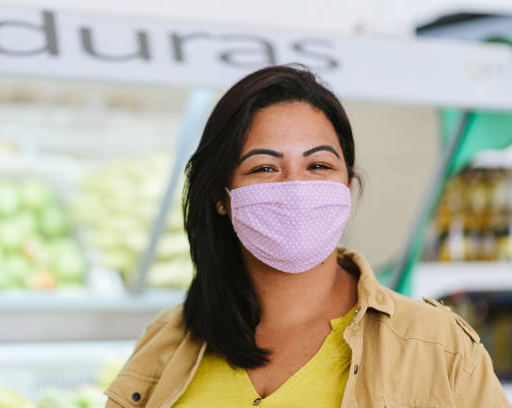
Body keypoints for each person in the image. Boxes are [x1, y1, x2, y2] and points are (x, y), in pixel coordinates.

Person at [105, 65, 509, 407]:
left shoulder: (438, 348)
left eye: (318, 166)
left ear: (347, 186)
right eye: (264, 168)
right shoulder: (169, 341)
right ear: (221, 197)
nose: (295, 187)